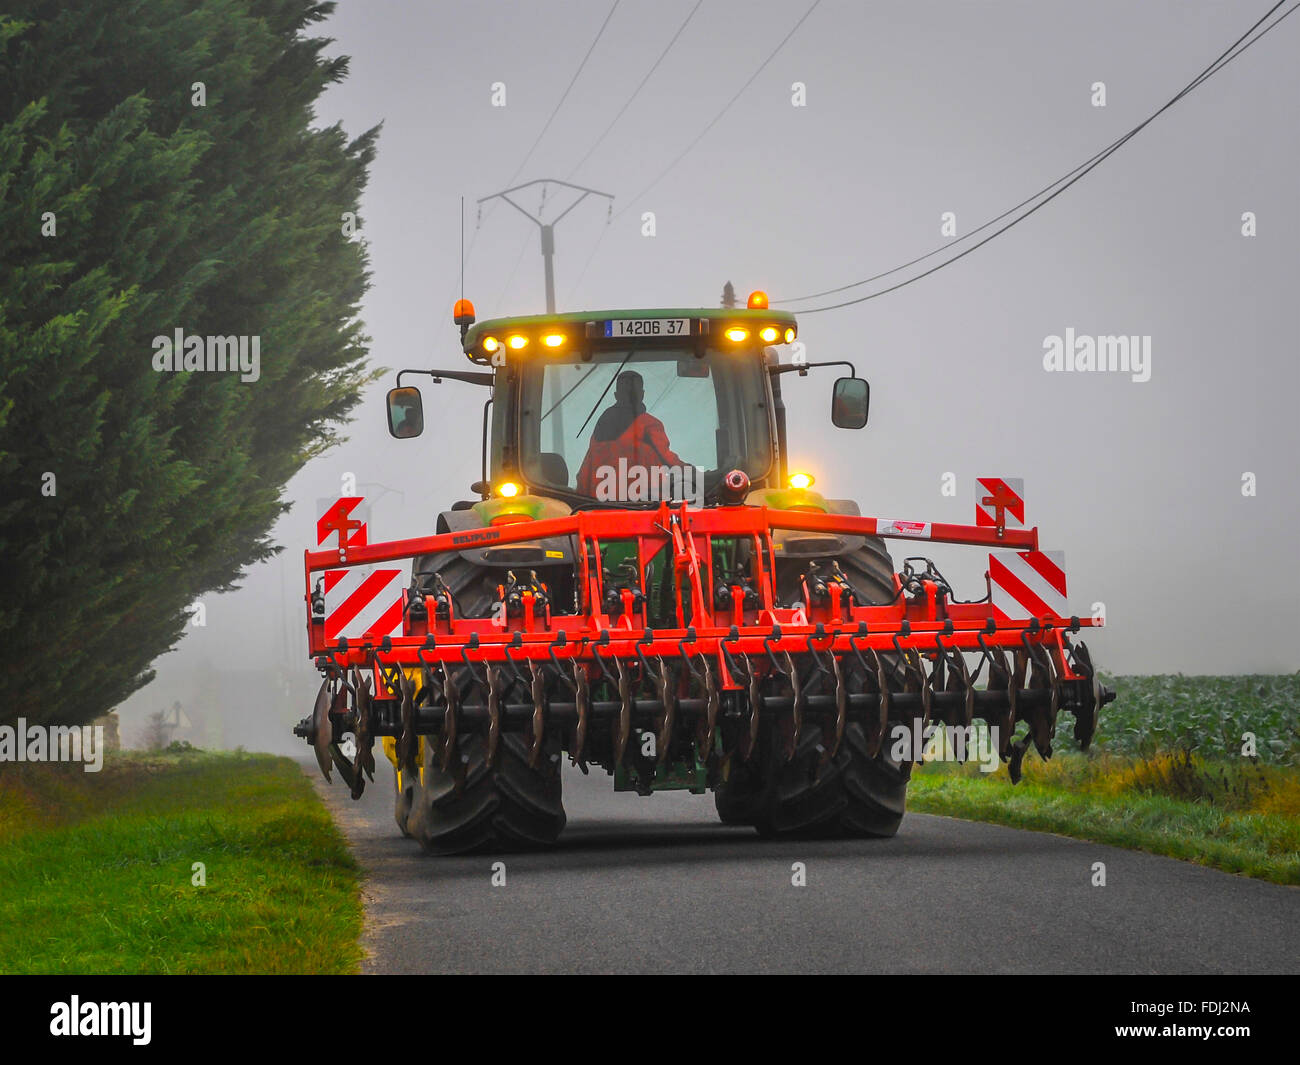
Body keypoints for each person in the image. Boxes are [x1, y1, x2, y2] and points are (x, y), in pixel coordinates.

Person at [576, 370, 685, 497]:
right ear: (642, 395)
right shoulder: (649, 424)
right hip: (644, 508)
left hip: (596, 507)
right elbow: (669, 460)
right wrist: (695, 474)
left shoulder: (600, 430)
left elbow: (584, 477)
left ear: (616, 395)